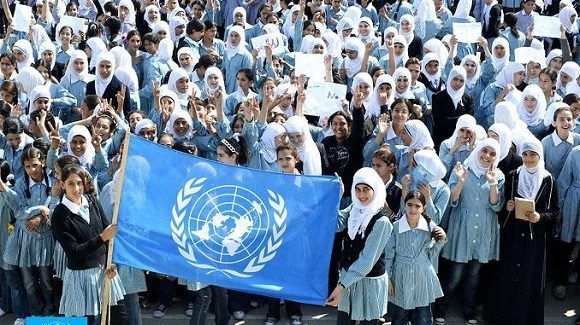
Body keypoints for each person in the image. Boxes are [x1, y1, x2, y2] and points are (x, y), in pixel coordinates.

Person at [434, 138, 505, 325]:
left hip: (483, 228)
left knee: (474, 275)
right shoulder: (462, 168)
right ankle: (440, 308)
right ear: (478, 150)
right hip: (463, 226)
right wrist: (460, 181)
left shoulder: (498, 175)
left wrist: (492, 183)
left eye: (492, 153)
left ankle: (469, 310)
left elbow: (496, 206)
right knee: (455, 273)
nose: (487, 156)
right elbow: (453, 200)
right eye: (485, 151)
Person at [492, 137, 558, 325]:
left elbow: (554, 211)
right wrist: (509, 206)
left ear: (540, 156)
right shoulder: (513, 175)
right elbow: (502, 205)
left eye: (533, 155)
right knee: (508, 278)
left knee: (529, 281)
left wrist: (540, 217)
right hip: (513, 236)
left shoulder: (548, 180)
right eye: (525, 155)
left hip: (534, 239)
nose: (528, 159)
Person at [51, 164, 127, 323]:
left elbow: (108, 232)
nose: (76, 188)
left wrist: (110, 262)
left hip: (105, 271)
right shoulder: (59, 214)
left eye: (79, 182)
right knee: (88, 321)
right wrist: (101, 238)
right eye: (71, 183)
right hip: (81, 277)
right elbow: (74, 252)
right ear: (62, 184)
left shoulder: (92, 200)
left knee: (118, 317)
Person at [326, 167, 393, 324]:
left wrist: (341, 286)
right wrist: (336, 197)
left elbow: (366, 260)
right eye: (357, 189)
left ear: (375, 190)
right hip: (348, 277)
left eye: (366, 190)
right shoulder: (354, 209)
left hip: (369, 282)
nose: (361, 195)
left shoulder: (382, 222)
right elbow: (334, 224)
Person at [386, 191, 447, 325]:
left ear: (423, 207)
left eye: (417, 206)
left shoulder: (430, 227)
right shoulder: (395, 227)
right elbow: (389, 254)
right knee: (399, 315)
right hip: (401, 274)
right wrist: (388, 277)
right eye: (409, 205)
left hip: (422, 274)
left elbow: (431, 254)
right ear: (404, 205)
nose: (413, 209)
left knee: (423, 315)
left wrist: (441, 241)